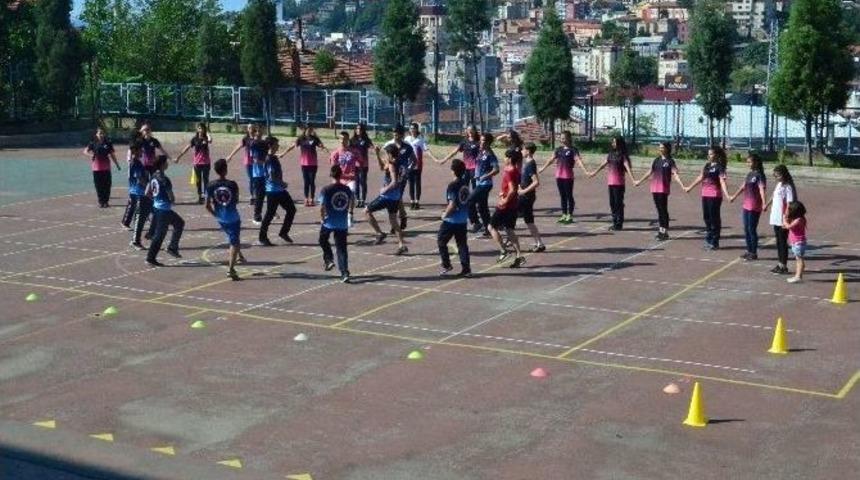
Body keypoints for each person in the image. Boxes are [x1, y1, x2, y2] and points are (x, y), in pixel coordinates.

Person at [635, 142, 685, 240]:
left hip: (663, 189)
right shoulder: (656, 160)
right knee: (659, 210)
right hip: (655, 188)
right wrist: (639, 181)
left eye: (662, 147)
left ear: (667, 149)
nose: (660, 149)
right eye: (660, 147)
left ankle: (664, 231)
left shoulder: (670, 161)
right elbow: (650, 172)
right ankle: (661, 230)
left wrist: (682, 185)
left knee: (663, 210)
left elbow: (675, 174)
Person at [538, 130, 590, 224]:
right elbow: (551, 160)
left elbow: (578, 161)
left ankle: (570, 214)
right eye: (561, 138)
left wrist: (585, 171)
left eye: (563, 138)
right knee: (562, 196)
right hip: (559, 176)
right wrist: (542, 168)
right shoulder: (558, 149)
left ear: (568, 138)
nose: (561, 139)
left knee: (569, 195)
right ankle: (564, 214)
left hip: (568, 177)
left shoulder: (573, 150)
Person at [684, 145, 731, 250]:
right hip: (705, 194)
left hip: (714, 195)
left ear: (716, 155)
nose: (709, 156)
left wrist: (727, 194)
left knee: (714, 218)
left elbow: (722, 182)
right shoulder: (707, 165)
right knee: (706, 217)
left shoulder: (720, 167)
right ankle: (709, 239)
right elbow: (700, 177)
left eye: (711, 154)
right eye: (708, 154)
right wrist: (690, 187)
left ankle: (715, 241)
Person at [206, 159, 245, 281]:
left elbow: (207, 205)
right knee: (234, 242)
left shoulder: (210, 185)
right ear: (225, 169)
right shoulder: (232, 185)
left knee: (232, 237)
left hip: (221, 218)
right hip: (233, 218)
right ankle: (231, 269)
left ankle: (240, 255)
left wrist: (216, 215)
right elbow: (237, 200)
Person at [365, 143, 408, 255]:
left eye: (386, 153)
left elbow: (394, 182)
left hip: (388, 196)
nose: (386, 155)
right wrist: (377, 153)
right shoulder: (400, 162)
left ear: (390, 154)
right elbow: (382, 167)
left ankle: (379, 233)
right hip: (396, 197)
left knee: (367, 211)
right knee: (393, 221)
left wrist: (385, 189)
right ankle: (401, 244)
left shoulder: (392, 165)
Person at [437, 126, 481, 231]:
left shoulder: (479, 143)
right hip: (465, 170)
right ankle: (465, 215)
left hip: (475, 170)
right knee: (463, 194)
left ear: (475, 131)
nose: (470, 132)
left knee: (473, 196)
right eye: (468, 130)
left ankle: (476, 221)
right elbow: (455, 151)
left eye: (472, 130)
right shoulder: (464, 142)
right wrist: (444, 159)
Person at [588, 136, 635, 230]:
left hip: (619, 184)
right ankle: (614, 221)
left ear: (619, 143)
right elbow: (602, 165)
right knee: (612, 203)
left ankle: (619, 223)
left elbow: (628, 168)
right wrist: (594, 172)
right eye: (612, 142)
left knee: (618, 203)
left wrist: (633, 179)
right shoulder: (610, 154)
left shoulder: (622, 155)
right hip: (611, 183)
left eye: (615, 142)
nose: (613, 144)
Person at [145, 155, 184, 267]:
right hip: (164, 210)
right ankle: (150, 258)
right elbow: (171, 197)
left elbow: (147, 192)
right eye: (166, 162)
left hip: (157, 208)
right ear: (162, 164)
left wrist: (155, 199)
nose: (167, 164)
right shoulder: (164, 179)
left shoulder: (153, 175)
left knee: (179, 223)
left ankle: (172, 247)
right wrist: (171, 201)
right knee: (160, 234)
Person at [489, 148, 525, 268]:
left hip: (506, 206)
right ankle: (519, 256)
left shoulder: (508, 172)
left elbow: (512, 189)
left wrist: (504, 199)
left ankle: (503, 251)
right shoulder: (516, 171)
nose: (503, 159)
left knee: (491, 227)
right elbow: (513, 187)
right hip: (514, 205)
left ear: (509, 159)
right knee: (509, 230)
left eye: (505, 157)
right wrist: (503, 193)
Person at [319, 165, 354, 283]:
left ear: (331, 175)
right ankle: (344, 272)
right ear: (341, 175)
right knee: (341, 248)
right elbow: (352, 200)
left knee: (322, 240)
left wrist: (322, 218)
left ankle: (329, 259)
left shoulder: (326, 189)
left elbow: (322, 206)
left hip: (329, 222)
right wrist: (350, 212)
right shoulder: (346, 189)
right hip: (342, 223)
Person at [259, 137, 297, 246]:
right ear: (270, 146)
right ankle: (262, 237)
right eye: (276, 144)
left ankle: (283, 232)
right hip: (273, 191)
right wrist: (282, 183)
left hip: (279, 190)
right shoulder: (269, 159)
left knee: (291, 209)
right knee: (269, 214)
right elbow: (271, 177)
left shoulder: (273, 157)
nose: (278, 146)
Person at [729, 153, 767, 261]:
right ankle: (749, 250)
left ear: (756, 162)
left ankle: (753, 252)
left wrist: (764, 203)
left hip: (755, 205)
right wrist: (734, 196)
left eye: (750, 162)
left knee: (752, 229)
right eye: (747, 162)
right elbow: (743, 187)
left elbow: (761, 189)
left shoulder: (760, 175)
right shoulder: (749, 174)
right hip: (746, 205)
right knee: (746, 228)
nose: (748, 164)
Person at [437, 159, 472, 277]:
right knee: (462, 244)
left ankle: (446, 264)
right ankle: (466, 269)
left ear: (453, 171)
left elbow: (452, 204)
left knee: (441, 241)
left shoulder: (452, 185)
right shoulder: (465, 184)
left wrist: (445, 215)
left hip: (451, 220)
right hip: (462, 220)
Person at [281, 125, 327, 206]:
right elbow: (292, 146)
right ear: (305, 130)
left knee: (312, 181)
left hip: (313, 163)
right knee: (306, 181)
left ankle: (312, 199)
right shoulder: (301, 138)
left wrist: (318, 138)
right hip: (304, 164)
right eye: (308, 130)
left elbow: (322, 146)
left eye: (311, 130)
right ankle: (306, 198)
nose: (309, 131)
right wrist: (283, 153)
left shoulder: (314, 138)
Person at [764, 164, 797, 275]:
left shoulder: (788, 187)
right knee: (778, 241)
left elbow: (789, 203)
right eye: (775, 176)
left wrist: (786, 217)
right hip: (775, 216)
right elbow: (774, 196)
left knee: (782, 242)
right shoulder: (779, 184)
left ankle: (783, 265)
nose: (776, 178)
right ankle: (780, 263)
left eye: (778, 176)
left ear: (783, 175)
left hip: (783, 217)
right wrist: (767, 205)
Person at [468, 132, 500, 238]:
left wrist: (485, 176)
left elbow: (496, 169)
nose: (481, 142)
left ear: (489, 142)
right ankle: (489, 228)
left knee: (469, 201)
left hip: (485, 184)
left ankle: (476, 223)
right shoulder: (481, 152)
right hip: (479, 183)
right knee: (482, 207)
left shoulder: (490, 155)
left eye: (484, 141)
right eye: (481, 140)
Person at [174, 122, 212, 204]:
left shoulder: (206, 138)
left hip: (206, 163)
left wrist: (208, 134)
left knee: (206, 180)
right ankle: (200, 196)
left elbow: (210, 140)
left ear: (204, 129)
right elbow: (187, 148)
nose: (200, 130)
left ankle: (206, 196)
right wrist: (179, 156)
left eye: (202, 128)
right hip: (197, 163)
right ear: (197, 129)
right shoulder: (194, 139)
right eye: (199, 128)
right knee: (198, 181)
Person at [83, 127, 121, 208]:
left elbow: (112, 155)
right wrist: (91, 155)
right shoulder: (93, 143)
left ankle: (106, 201)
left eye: (102, 133)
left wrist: (117, 164)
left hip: (106, 168)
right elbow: (85, 151)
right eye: (99, 133)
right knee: (99, 186)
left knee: (107, 185)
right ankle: (101, 201)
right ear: (96, 134)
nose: (101, 135)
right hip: (96, 168)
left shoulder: (108, 143)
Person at [518, 142, 544, 252]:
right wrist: (519, 185)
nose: (521, 151)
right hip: (524, 196)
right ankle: (539, 243)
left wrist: (523, 191)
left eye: (523, 149)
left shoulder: (530, 164)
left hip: (527, 197)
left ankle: (509, 239)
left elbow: (536, 182)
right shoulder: (526, 162)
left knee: (509, 215)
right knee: (529, 221)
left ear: (528, 151)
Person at [404, 122, 437, 210]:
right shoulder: (407, 139)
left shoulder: (420, 139)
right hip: (408, 164)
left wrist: (434, 158)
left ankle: (417, 202)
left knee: (417, 183)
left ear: (416, 129)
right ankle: (412, 201)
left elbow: (426, 150)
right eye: (410, 128)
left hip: (418, 164)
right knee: (410, 183)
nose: (412, 130)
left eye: (413, 128)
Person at [330, 131, 359, 226]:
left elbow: (361, 161)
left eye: (345, 139)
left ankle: (350, 214)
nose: (343, 140)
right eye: (341, 138)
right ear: (339, 139)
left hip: (350, 179)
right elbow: (334, 169)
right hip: (340, 179)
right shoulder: (335, 153)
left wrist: (356, 168)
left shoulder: (353, 152)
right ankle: (338, 216)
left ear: (348, 140)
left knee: (351, 192)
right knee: (338, 198)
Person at [226, 123, 258, 205]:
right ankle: (252, 196)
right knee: (251, 179)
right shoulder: (245, 138)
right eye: (249, 127)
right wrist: (230, 155)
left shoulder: (257, 137)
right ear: (247, 129)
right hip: (248, 161)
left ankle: (257, 194)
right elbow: (238, 147)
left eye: (252, 127)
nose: (250, 129)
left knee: (256, 179)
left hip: (257, 161)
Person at [122, 143, 146, 232]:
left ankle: (130, 222)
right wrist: (147, 186)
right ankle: (126, 222)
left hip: (136, 189)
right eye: (141, 150)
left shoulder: (136, 162)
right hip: (136, 189)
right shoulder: (136, 163)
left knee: (134, 206)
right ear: (135, 151)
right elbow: (139, 178)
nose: (142, 152)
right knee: (134, 206)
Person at [247, 129, 269, 224]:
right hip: (258, 174)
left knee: (270, 194)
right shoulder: (254, 144)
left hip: (266, 173)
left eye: (261, 131)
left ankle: (271, 212)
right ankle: (256, 216)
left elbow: (267, 155)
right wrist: (266, 162)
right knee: (260, 196)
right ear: (255, 133)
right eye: (258, 132)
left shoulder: (264, 143)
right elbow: (255, 159)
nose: (260, 133)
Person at [350, 122, 374, 208]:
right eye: (356, 129)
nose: (358, 130)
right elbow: (348, 150)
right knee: (356, 182)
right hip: (355, 165)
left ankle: (363, 200)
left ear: (363, 130)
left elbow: (372, 147)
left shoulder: (366, 140)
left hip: (364, 164)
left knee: (363, 182)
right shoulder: (352, 140)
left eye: (359, 129)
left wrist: (375, 148)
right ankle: (358, 200)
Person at [783, 201, 807, 284]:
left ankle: (798, 276)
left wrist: (784, 220)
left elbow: (788, 226)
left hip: (798, 243)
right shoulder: (798, 218)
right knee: (798, 259)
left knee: (799, 260)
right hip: (796, 243)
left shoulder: (799, 220)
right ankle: (798, 275)